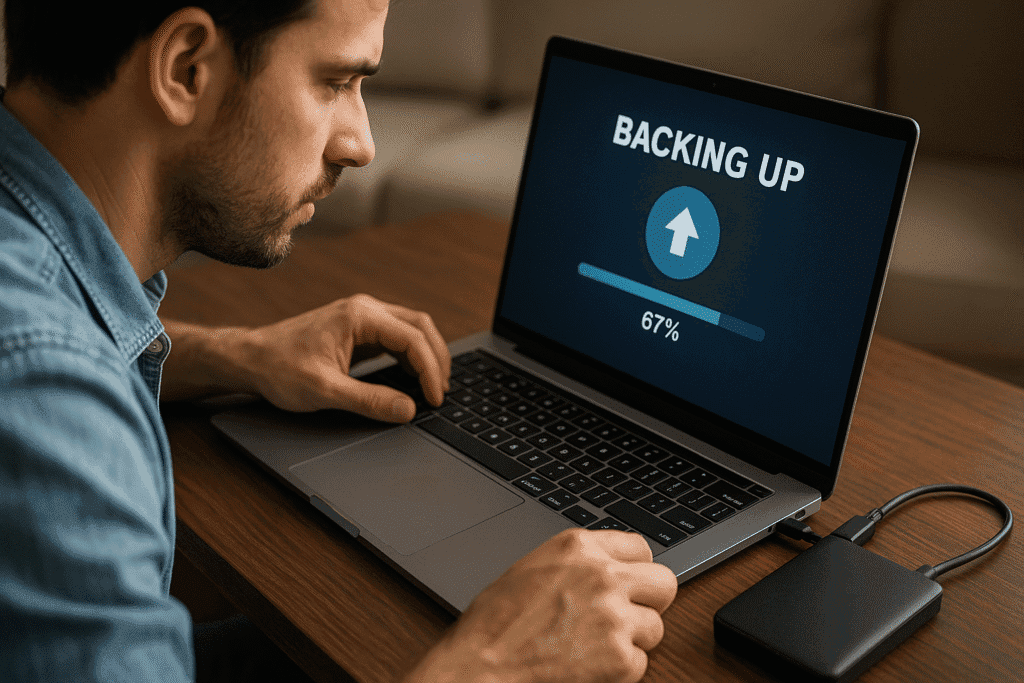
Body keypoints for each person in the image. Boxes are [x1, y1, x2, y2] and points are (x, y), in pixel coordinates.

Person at [0, 1, 678, 681]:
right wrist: (498, 664)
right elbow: (47, 367)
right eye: (335, 82)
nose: (360, 142)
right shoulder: (46, 392)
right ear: (186, 70)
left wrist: (235, 354)